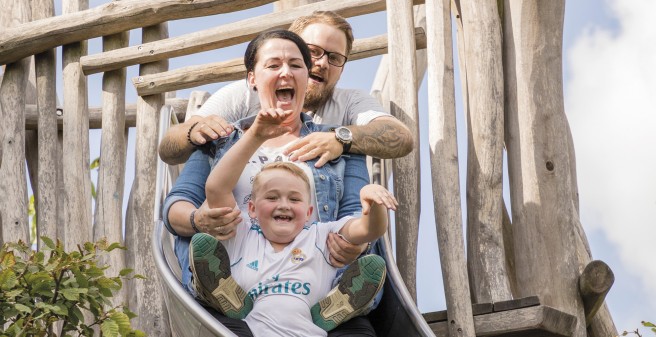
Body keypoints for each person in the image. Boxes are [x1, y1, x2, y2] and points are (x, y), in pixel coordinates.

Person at [163, 29, 383, 336]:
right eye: (273, 65)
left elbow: (353, 217)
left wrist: (354, 242)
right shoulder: (222, 140)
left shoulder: (334, 143)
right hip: (235, 284)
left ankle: (333, 305)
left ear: (308, 78)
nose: (285, 72)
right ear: (252, 78)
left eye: (295, 65)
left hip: (313, 280)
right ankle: (221, 289)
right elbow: (176, 206)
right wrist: (197, 219)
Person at [159, 10, 413, 270]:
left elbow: (400, 138)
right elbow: (173, 146)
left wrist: (340, 138)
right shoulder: (242, 99)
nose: (322, 63)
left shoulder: (348, 104)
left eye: (334, 57)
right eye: (313, 51)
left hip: (310, 258)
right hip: (240, 248)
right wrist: (197, 132)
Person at [191, 102, 396, 335]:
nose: (284, 205)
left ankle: (333, 306)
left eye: (295, 199)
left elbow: (368, 230)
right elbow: (217, 188)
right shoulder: (243, 235)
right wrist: (255, 136)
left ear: (309, 213)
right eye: (272, 197)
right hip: (250, 328)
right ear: (253, 209)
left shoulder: (319, 236)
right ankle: (225, 290)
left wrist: (374, 203)